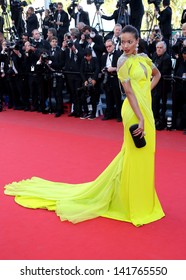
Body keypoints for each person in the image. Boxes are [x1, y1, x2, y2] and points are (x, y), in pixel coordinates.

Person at [4, 25, 165, 227]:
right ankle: (131, 202)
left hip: (145, 110)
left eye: (129, 42)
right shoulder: (122, 61)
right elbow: (130, 93)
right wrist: (140, 115)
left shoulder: (144, 58)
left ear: (137, 41)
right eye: (122, 42)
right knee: (134, 152)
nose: (125, 46)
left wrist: (146, 92)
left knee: (146, 153)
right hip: (133, 112)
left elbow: (157, 75)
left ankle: (143, 200)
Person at [151, 41, 172, 130]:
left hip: (163, 85)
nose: (158, 50)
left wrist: (154, 75)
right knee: (154, 102)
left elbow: (163, 72)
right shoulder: (155, 56)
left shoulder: (167, 58)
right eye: (157, 48)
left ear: (165, 49)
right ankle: (154, 119)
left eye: (160, 48)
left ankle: (161, 121)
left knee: (160, 103)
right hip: (154, 83)